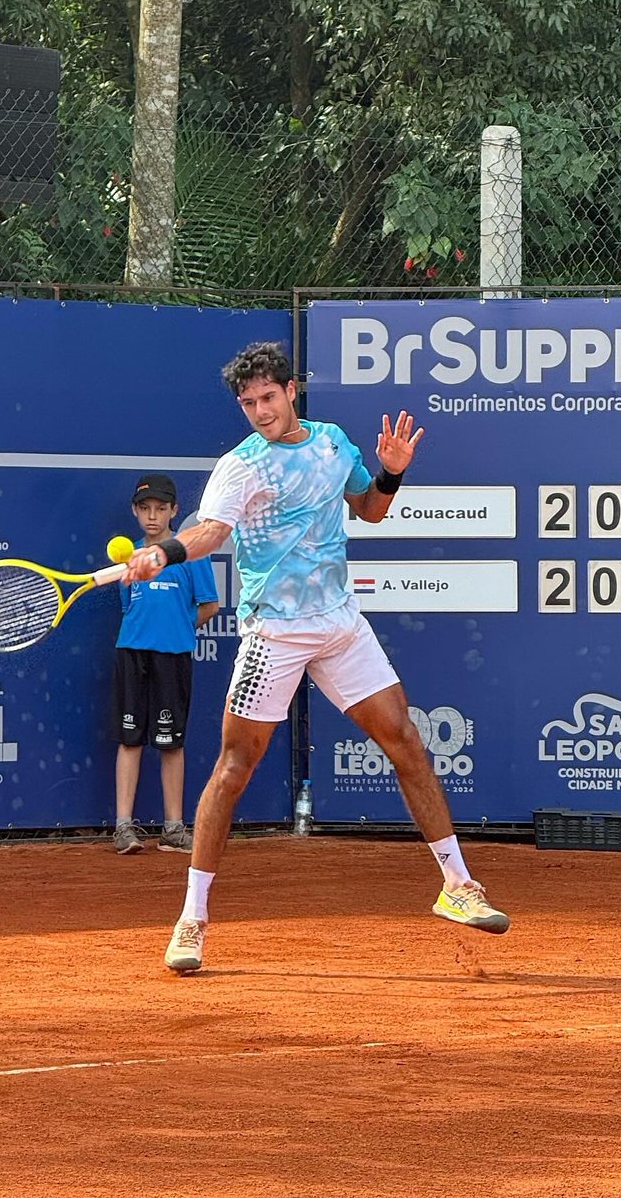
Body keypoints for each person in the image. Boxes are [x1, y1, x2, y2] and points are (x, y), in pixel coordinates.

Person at [120, 343, 509, 971]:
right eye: (247, 403)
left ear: (291, 389)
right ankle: (192, 918)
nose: (259, 411)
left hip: (339, 624)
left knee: (405, 739)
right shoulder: (240, 466)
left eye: (267, 398)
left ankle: (457, 885)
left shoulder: (331, 443)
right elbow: (212, 532)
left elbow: (372, 510)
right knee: (235, 768)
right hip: (274, 632)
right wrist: (164, 552)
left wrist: (391, 472)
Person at [111, 473, 219, 855]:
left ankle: (173, 828)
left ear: (174, 510)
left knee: (171, 743)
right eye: (145, 509)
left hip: (173, 657)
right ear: (135, 512)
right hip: (132, 653)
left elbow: (210, 605)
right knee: (130, 739)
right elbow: (129, 609)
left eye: (160, 509)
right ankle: (124, 827)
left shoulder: (192, 555)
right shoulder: (129, 559)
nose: (152, 517)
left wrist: (177, 628)